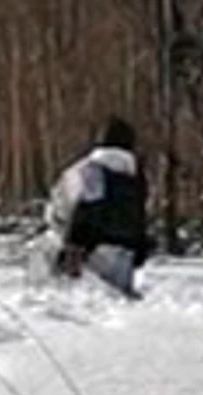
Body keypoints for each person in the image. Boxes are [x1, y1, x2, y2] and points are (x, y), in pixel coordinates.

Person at [44, 116, 152, 299]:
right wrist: (140, 247)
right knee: (119, 300)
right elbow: (139, 213)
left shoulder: (91, 169)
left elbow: (85, 206)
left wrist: (73, 244)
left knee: (85, 301)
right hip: (126, 251)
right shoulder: (136, 173)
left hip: (93, 250)